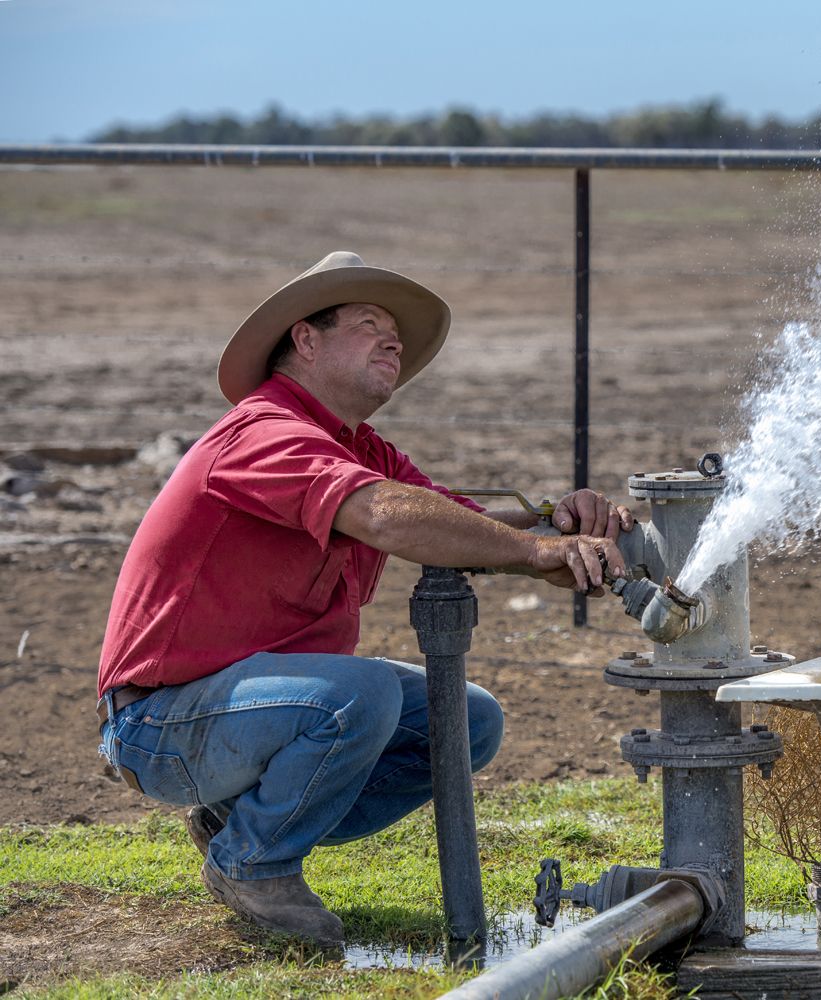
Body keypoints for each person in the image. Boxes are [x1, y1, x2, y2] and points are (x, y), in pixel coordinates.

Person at [96, 251, 631, 949]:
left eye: (397, 334)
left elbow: (458, 521)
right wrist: (536, 554)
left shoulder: (363, 451)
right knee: (363, 695)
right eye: (370, 324)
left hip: (249, 713)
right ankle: (252, 862)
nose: (394, 341)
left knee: (469, 721)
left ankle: (237, 825)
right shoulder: (261, 433)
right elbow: (383, 516)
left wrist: (560, 522)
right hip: (158, 724)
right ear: (305, 340)